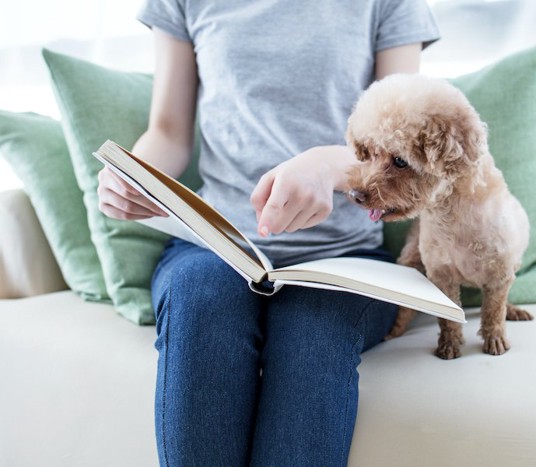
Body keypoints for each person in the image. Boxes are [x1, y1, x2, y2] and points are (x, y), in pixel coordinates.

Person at [96, 1, 439, 465]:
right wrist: (134, 176)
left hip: (344, 256)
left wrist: (326, 163)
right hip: (216, 245)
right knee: (202, 307)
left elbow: (400, 144)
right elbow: (169, 133)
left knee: (311, 337)